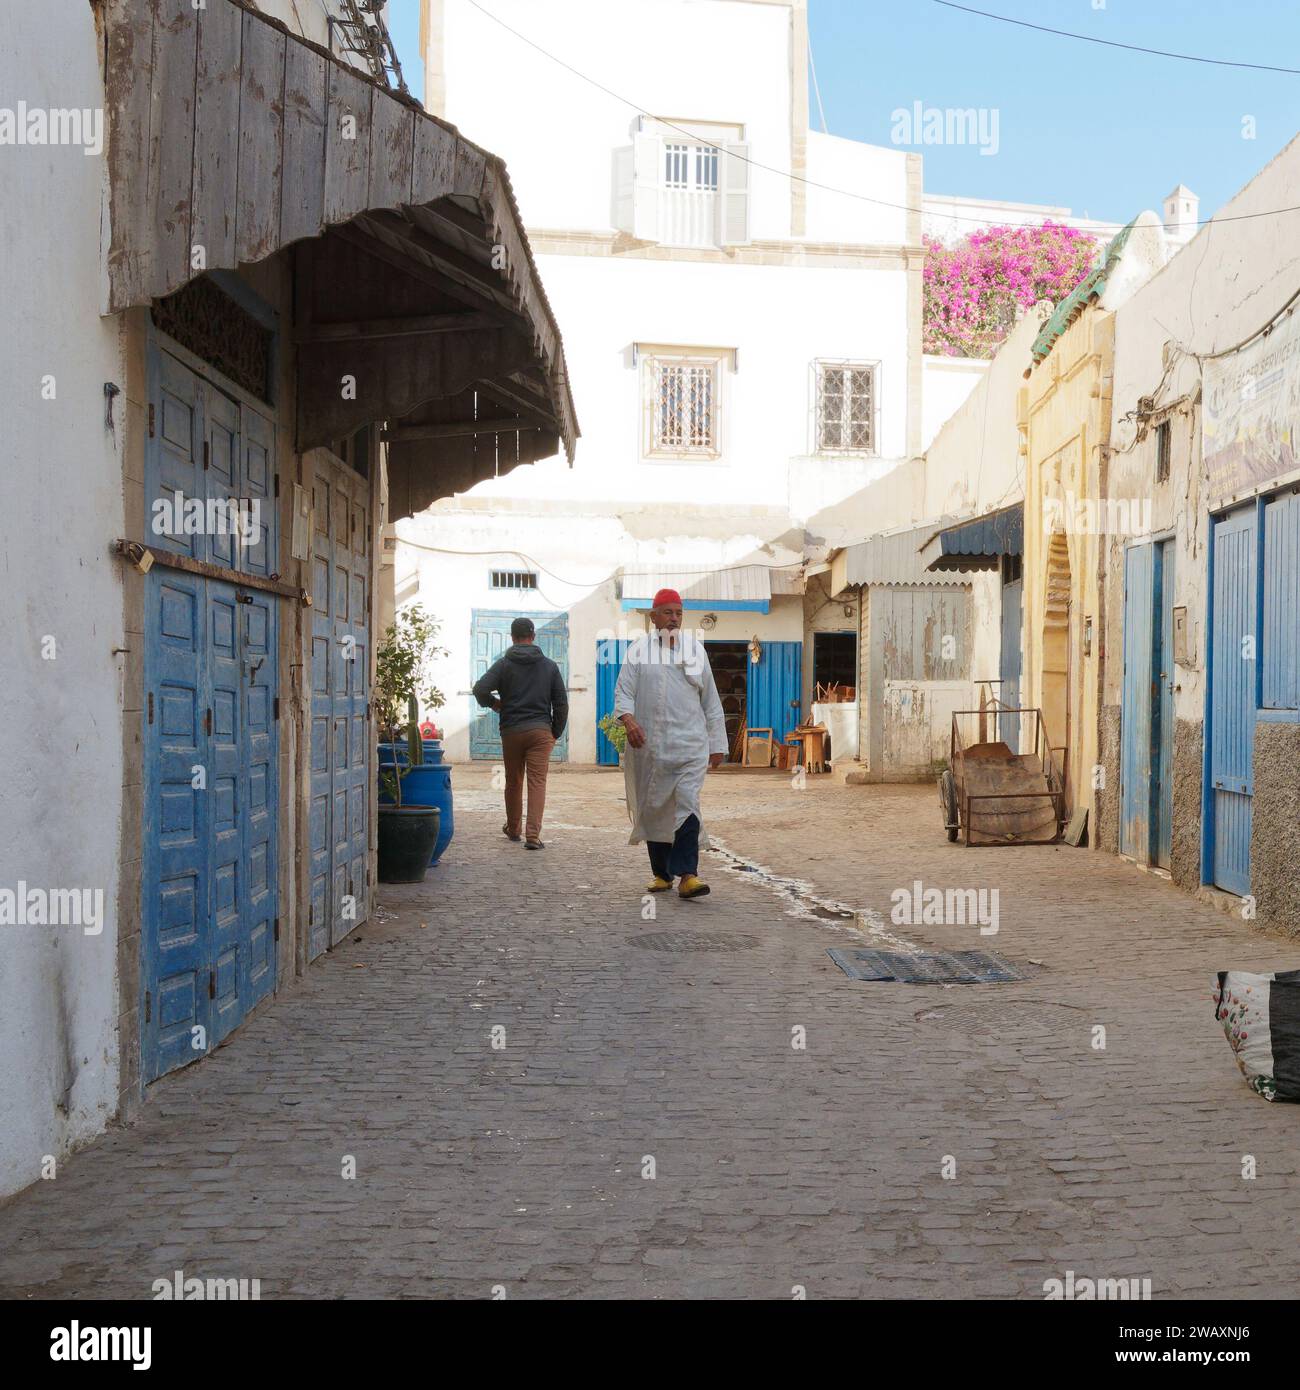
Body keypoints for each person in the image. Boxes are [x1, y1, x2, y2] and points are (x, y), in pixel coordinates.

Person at [613, 589, 727, 899]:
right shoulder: (638, 651)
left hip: (690, 745)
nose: (674, 618)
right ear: (654, 617)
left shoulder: (696, 652)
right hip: (651, 747)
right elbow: (623, 692)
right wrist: (629, 720)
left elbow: (711, 701)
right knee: (655, 806)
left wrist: (717, 743)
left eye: (678, 612)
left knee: (688, 803)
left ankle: (688, 875)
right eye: (668, 612)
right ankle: (661, 874)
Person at [472, 617, 569, 849]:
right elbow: (561, 704)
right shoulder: (549, 666)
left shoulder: (504, 664)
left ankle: (514, 829)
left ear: (513, 637)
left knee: (513, 781)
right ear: (533, 637)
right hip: (540, 732)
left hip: (512, 731)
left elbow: (480, 689)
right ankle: (533, 836)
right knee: (537, 782)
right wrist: (554, 732)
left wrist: (495, 704)